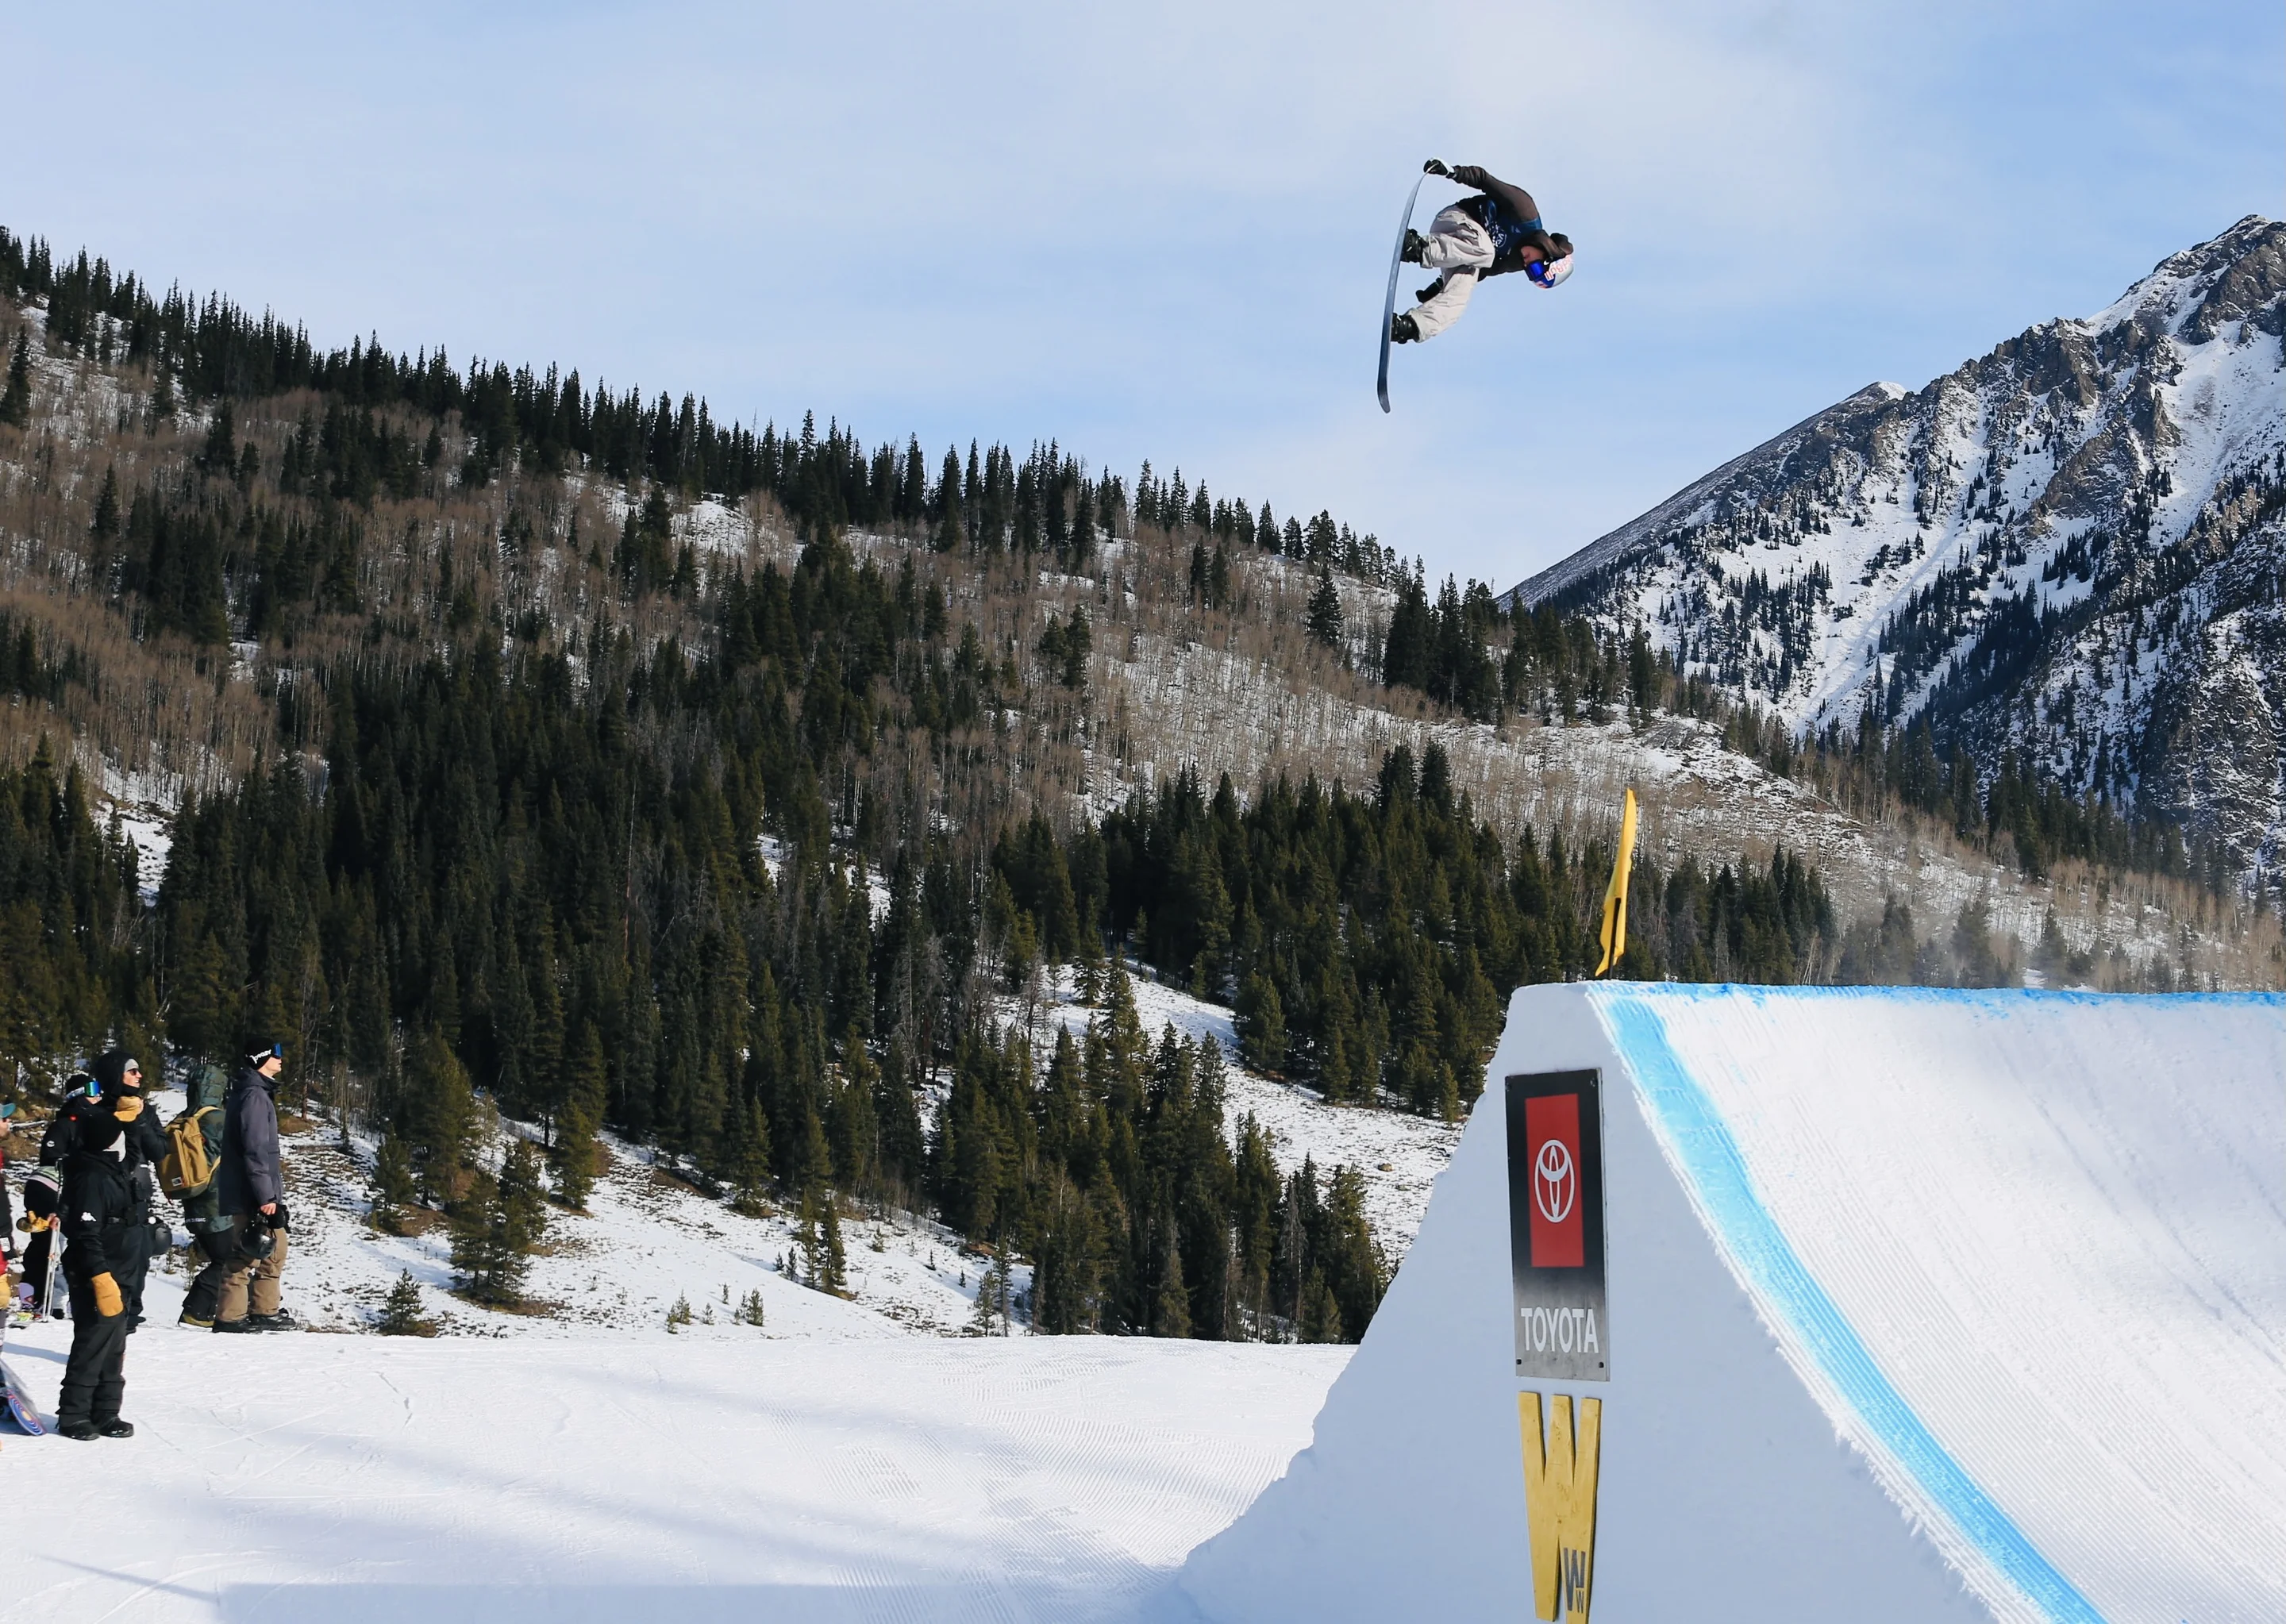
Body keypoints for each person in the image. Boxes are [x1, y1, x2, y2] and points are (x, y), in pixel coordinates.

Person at [55, 1069, 151, 1439]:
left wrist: (134, 1115)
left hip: (123, 1268)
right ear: (107, 1141)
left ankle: (106, 1410)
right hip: (100, 1273)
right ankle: (74, 1414)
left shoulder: (113, 1167)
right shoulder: (90, 1178)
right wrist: (99, 1276)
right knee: (93, 1343)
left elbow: (137, 1142)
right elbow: (85, 1233)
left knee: (115, 1347)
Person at [1391, 160, 1575, 345]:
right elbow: (1483, 179)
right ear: (1547, 252)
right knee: (1486, 253)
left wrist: (1440, 286)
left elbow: (1485, 271)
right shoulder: (1525, 211)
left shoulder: (1515, 261)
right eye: (1535, 269)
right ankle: (1415, 248)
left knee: (1459, 298)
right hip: (1456, 219)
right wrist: (1451, 172)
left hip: (1457, 249)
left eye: (1530, 273)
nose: (1526, 266)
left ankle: (1408, 327)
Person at [214, 1042, 294, 1333]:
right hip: (251, 1192)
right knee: (248, 1251)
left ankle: (264, 1311)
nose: (281, 1059)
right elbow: (256, 1150)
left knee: (274, 1249)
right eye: (275, 1054)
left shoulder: (256, 1093)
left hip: (255, 1189)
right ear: (261, 1059)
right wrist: (266, 1196)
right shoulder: (254, 1097)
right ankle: (231, 1317)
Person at [175, 1059, 236, 1329]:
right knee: (230, 1258)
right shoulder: (219, 1120)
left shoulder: (184, 1119)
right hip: (216, 1206)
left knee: (224, 1256)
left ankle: (207, 1310)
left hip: (191, 1203)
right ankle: (197, 1311)